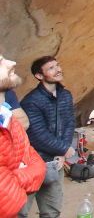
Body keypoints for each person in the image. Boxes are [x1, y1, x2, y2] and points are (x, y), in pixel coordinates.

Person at [19, 56, 75, 218]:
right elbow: (36, 134)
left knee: (52, 210)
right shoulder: (32, 101)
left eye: (58, 65)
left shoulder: (66, 95)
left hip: (55, 161)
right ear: (39, 75)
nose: (58, 70)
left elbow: (69, 123)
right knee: (19, 210)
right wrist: (64, 148)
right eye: (51, 68)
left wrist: (62, 153)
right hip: (32, 162)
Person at [0, 54, 45, 218]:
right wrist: (21, 173)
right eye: (0, 62)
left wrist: (13, 176)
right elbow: (5, 199)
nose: (13, 62)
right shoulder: (33, 100)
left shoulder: (9, 119)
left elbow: (36, 162)